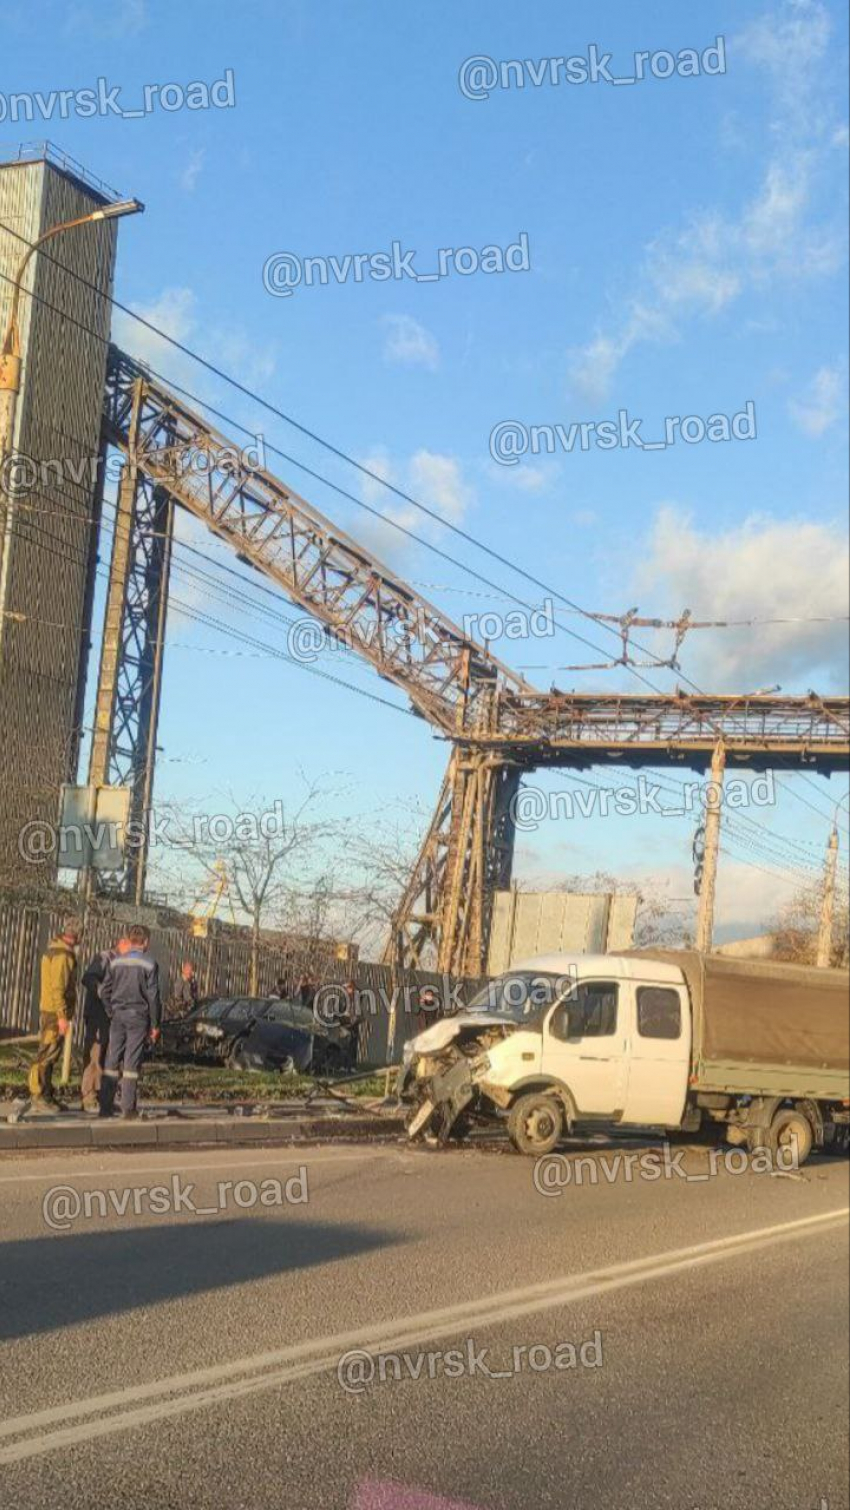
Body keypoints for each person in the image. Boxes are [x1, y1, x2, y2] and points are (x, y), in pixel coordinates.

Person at [98, 924, 162, 1121]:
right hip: (138, 1017)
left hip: (117, 1016)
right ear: (146, 942)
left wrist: (110, 1010)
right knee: (131, 1062)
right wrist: (155, 1024)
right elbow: (153, 997)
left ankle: (105, 1107)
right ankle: (128, 1108)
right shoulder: (150, 964)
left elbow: (104, 991)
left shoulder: (116, 962)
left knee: (111, 1059)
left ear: (129, 939)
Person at [28, 917, 82, 1113]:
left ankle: (47, 1094)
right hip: (54, 1012)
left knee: (50, 1053)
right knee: (47, 1054)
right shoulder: (63, 956)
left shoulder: (53, 949)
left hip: (49, 1009)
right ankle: (39, 1095)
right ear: (77, 935)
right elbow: (58, 987)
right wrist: (61, 1016)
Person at [79, 940, 121, 1115]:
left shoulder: (118, 961)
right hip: (97, 1014)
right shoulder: (105, 958)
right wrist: (102, 993)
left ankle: (103, 1097)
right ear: (122, 944)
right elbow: (88, 978)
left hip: (108, 1015)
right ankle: (89, 1096)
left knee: (106, 1056)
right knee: (95, 1054)